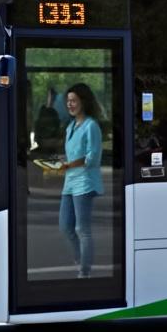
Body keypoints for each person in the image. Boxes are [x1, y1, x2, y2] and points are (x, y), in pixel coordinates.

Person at [57, 83, 104, 279]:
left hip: (84, 182)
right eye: (68, 101)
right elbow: (73, 154)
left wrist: (69, 165)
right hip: (70, 183)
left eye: (74, 100)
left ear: (83, 102)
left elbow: (92, 158)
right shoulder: (70, 127)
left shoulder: (91, 126)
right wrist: (61, 163)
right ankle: (80, 259)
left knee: (82, 229)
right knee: (65, 226)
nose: (70, 104)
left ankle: (84, 271)